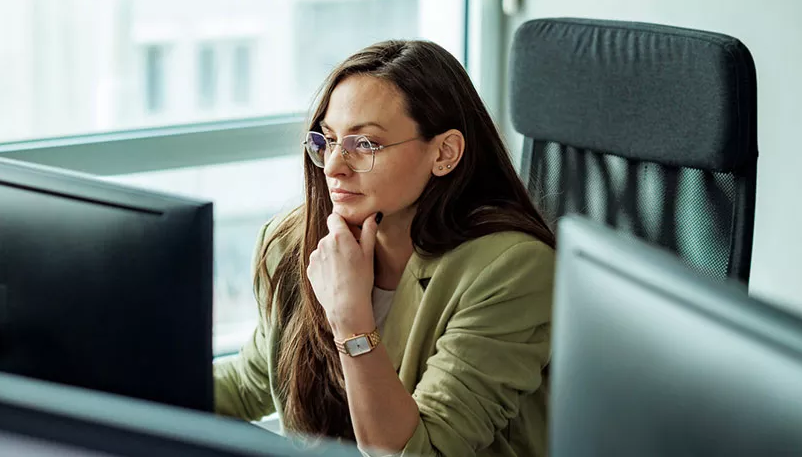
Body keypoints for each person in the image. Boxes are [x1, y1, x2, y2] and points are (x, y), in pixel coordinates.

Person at [213, 40, 556, 457]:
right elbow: (251, 382)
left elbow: (422, 451)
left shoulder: (511, 269)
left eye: (365, 144)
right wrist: (142, 380)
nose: (334, 166)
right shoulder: (292, 243)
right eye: (329, 140)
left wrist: (350, 317)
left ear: (444, 153)